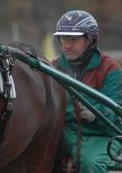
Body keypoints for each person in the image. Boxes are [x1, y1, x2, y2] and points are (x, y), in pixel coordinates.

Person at [52, 10, 122, 173]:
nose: (67, 45)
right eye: (63, 39)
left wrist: (93, 113)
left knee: (91, 164)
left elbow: (116, 117)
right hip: (65, 133)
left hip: (102, 136)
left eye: (74, 39)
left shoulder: (111, 70)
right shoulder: (52, 67)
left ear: (90, 40)